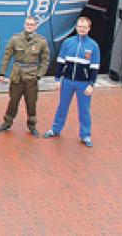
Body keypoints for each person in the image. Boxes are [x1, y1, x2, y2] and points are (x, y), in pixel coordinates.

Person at [44, 17, 100, 147]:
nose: (81, 29)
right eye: (80, 26)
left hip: (84, 83)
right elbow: (61, 62)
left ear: (89, 29)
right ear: (76, 27)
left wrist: (91, 84)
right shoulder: (67, 43)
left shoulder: (93, 46)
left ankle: (85, 135)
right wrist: (58, 79)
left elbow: (95, 67)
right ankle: (55, 129)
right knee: (62, 107)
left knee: (84, 110)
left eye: (84, 27)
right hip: (67, 81)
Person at [0, 17, 50, 137]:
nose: (29, 26)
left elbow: (45, 60)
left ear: (36, 26)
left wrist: (39, 74)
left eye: (32, 24)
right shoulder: (15, 39)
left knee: (31, 103)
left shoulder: (41, 41)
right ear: (24, 25)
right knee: (13, 101)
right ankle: (7, 122)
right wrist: (2, 73)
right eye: (27, 24)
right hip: (17, 76)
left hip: (31, 77)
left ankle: (32, 125)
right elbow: (7, 56)